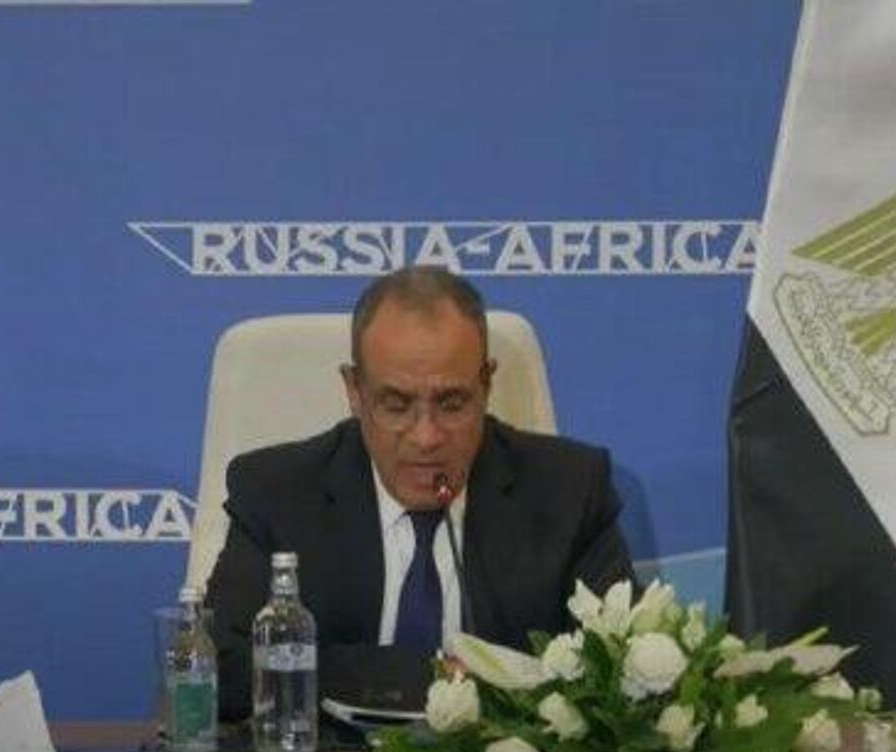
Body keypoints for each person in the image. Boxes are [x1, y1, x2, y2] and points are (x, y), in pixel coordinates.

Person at [205, 266, 633, 721]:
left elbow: (619, 670)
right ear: (354, 392)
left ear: (486, 384)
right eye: (396, 404)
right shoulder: (278, 494)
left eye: (452, 403)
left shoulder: (569, 491)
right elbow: (221, 665)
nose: (426, 437)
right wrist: (430, 676)